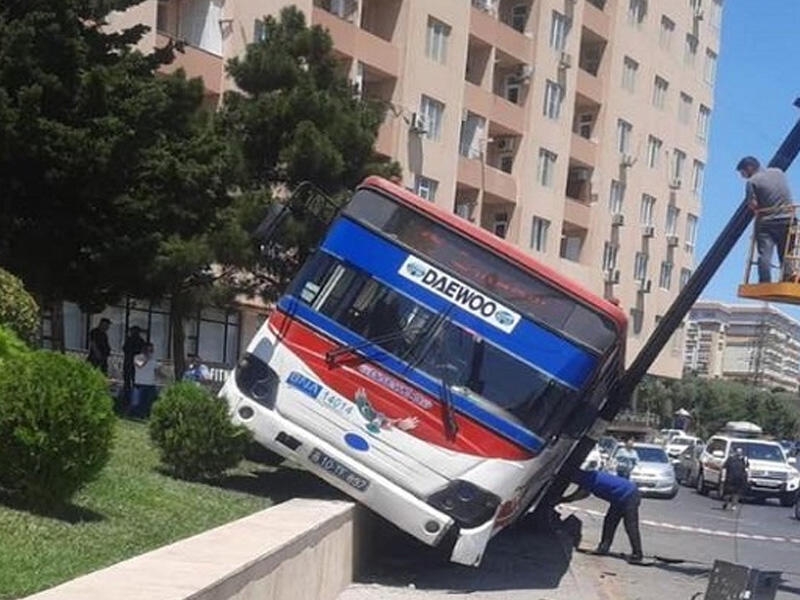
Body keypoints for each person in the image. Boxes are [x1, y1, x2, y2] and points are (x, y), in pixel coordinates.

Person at [563, 468, 644, 563]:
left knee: (630, 526)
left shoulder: (586, 479)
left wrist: (564, 500)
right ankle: (604, 547)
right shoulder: (588, 476)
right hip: (618, 498)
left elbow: (581, 494)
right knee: (610, 521)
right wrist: (565, 499)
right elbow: (582, 492)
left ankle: (637, 554)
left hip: (629, 495)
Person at [736, 156, 796, 282]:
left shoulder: (752, 181)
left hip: (768, 221)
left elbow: (752, 204)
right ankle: (789, 276)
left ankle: (764, 280)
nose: (743, 177)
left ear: (749, 168)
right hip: (789, 219)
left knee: (765, 253)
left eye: (743, 173)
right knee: (787, 251)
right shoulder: (778, 172)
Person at [130, 343, 158, 419]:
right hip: (139, 384)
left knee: (149, 403)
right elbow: (140, 366)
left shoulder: (153, 360)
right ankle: (134, 416)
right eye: (148, 350)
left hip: (150, 384)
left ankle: (145, 416)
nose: (150, 352)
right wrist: (147, 358)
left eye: (151, 350)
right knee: (136, 403)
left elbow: (156, 370)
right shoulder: (137, 357)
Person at [122, 326, 146, 406]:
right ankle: (129, 399)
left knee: (131, 382)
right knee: (130, 382)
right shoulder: (132, 340)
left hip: (132, 364)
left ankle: (130, 400)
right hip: (131, 364)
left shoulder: (135, 341)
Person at [722, 447, 749, 511]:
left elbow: (747, 469)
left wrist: (747, 478)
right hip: (730, 478)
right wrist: (723, 477)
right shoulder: (730, 459)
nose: (739, 453)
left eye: (740, 452)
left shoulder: (744, 460)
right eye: (738, 452)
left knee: (736, 493)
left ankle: (733, 505)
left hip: (739, 479)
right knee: (728, 493)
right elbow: (724, 467)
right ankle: (726, 503)